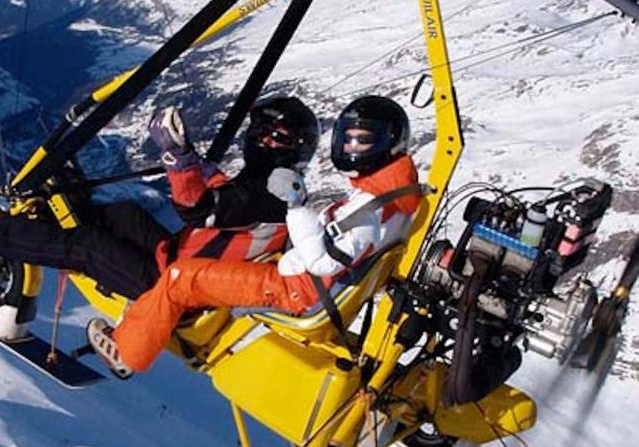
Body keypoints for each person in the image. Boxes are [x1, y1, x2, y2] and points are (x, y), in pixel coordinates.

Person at [87, 95, 421, 378]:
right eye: (348, 138)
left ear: (389, 144)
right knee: (180, 265)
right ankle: (141, 318)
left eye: (363, 140)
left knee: (180, 277)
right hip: (300, 281)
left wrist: (297, 206)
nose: (352, 147)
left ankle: (127, 354)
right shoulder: (392, 197)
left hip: (295, 289)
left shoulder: (370, 209)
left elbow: (322, 260)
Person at [0, 96, 319, 300]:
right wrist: (190, 157)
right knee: (125, 215)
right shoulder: (268, 183)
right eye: (262, 131)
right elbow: (228, 193)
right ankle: (42, 227)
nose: (265, 141)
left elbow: (200, 209)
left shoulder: (278, 192)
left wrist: (178, 161)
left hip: (175, 292)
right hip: (177, 262)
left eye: (279, 138)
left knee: (89, 246)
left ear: (298, 149)